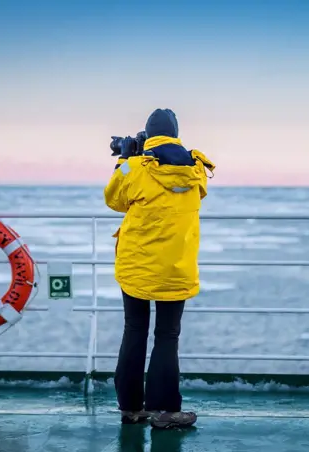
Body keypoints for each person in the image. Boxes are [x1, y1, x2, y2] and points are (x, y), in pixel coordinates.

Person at [103, 108, 215, 429]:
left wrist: (125, 160)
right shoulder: (195, 172)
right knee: (167, 336)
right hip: (176, 269)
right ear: (176, 134)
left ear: (149, 134)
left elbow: (113, 198)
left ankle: (131, 408)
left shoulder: (136, 168)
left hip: (137, 268)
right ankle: (165, 410)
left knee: (134, 331)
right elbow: (196, 191)